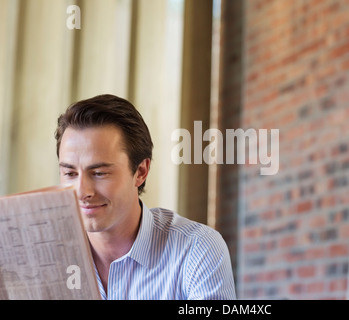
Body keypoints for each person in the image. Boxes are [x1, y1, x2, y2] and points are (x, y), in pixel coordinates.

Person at [55, 94, 236, 300]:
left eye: (99, 173)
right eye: (70, 174)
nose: (82, 191)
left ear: (140, 171)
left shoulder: (196, 250)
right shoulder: (46, 256)